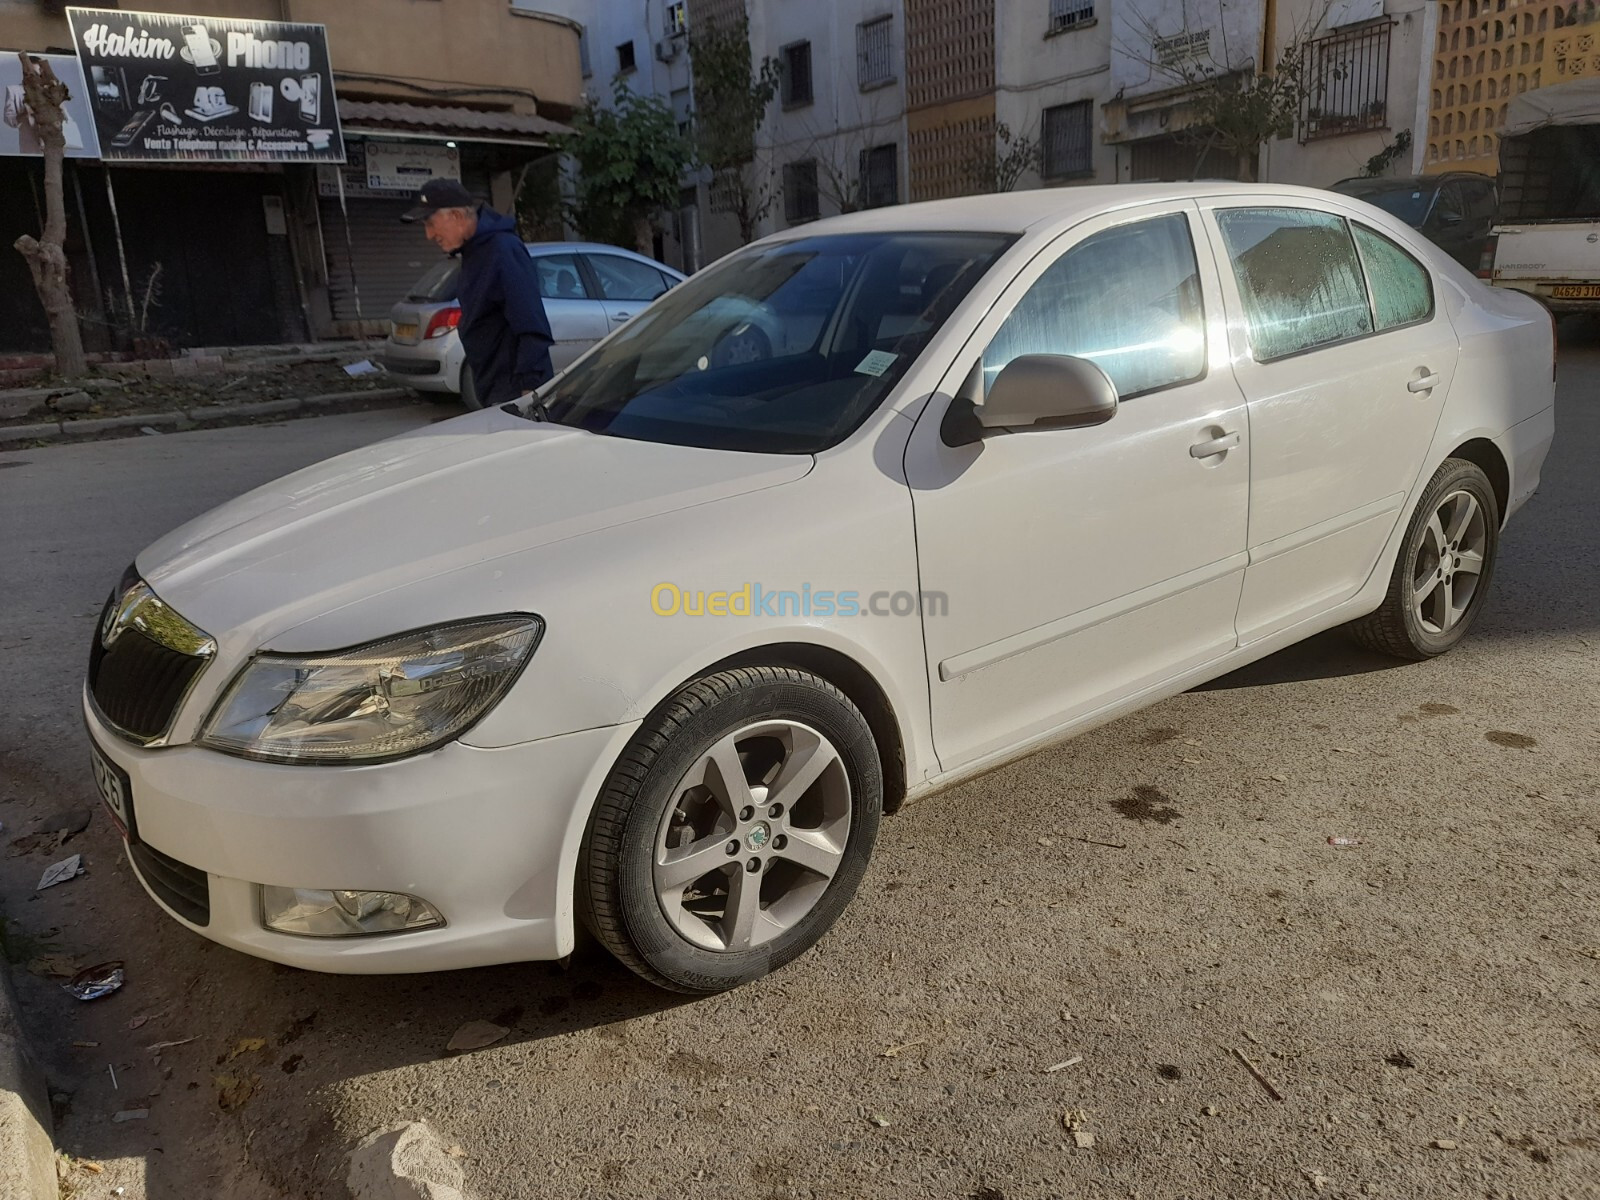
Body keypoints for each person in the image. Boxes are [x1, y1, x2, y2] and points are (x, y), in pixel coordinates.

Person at [402, 178, 554, 405]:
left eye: (430, 223)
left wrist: (530, 390)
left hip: (515, 394)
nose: (429, 235)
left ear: (456, 216)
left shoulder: (503, 251)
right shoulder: (474, 253)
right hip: (493, 388)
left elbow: (531, 324)